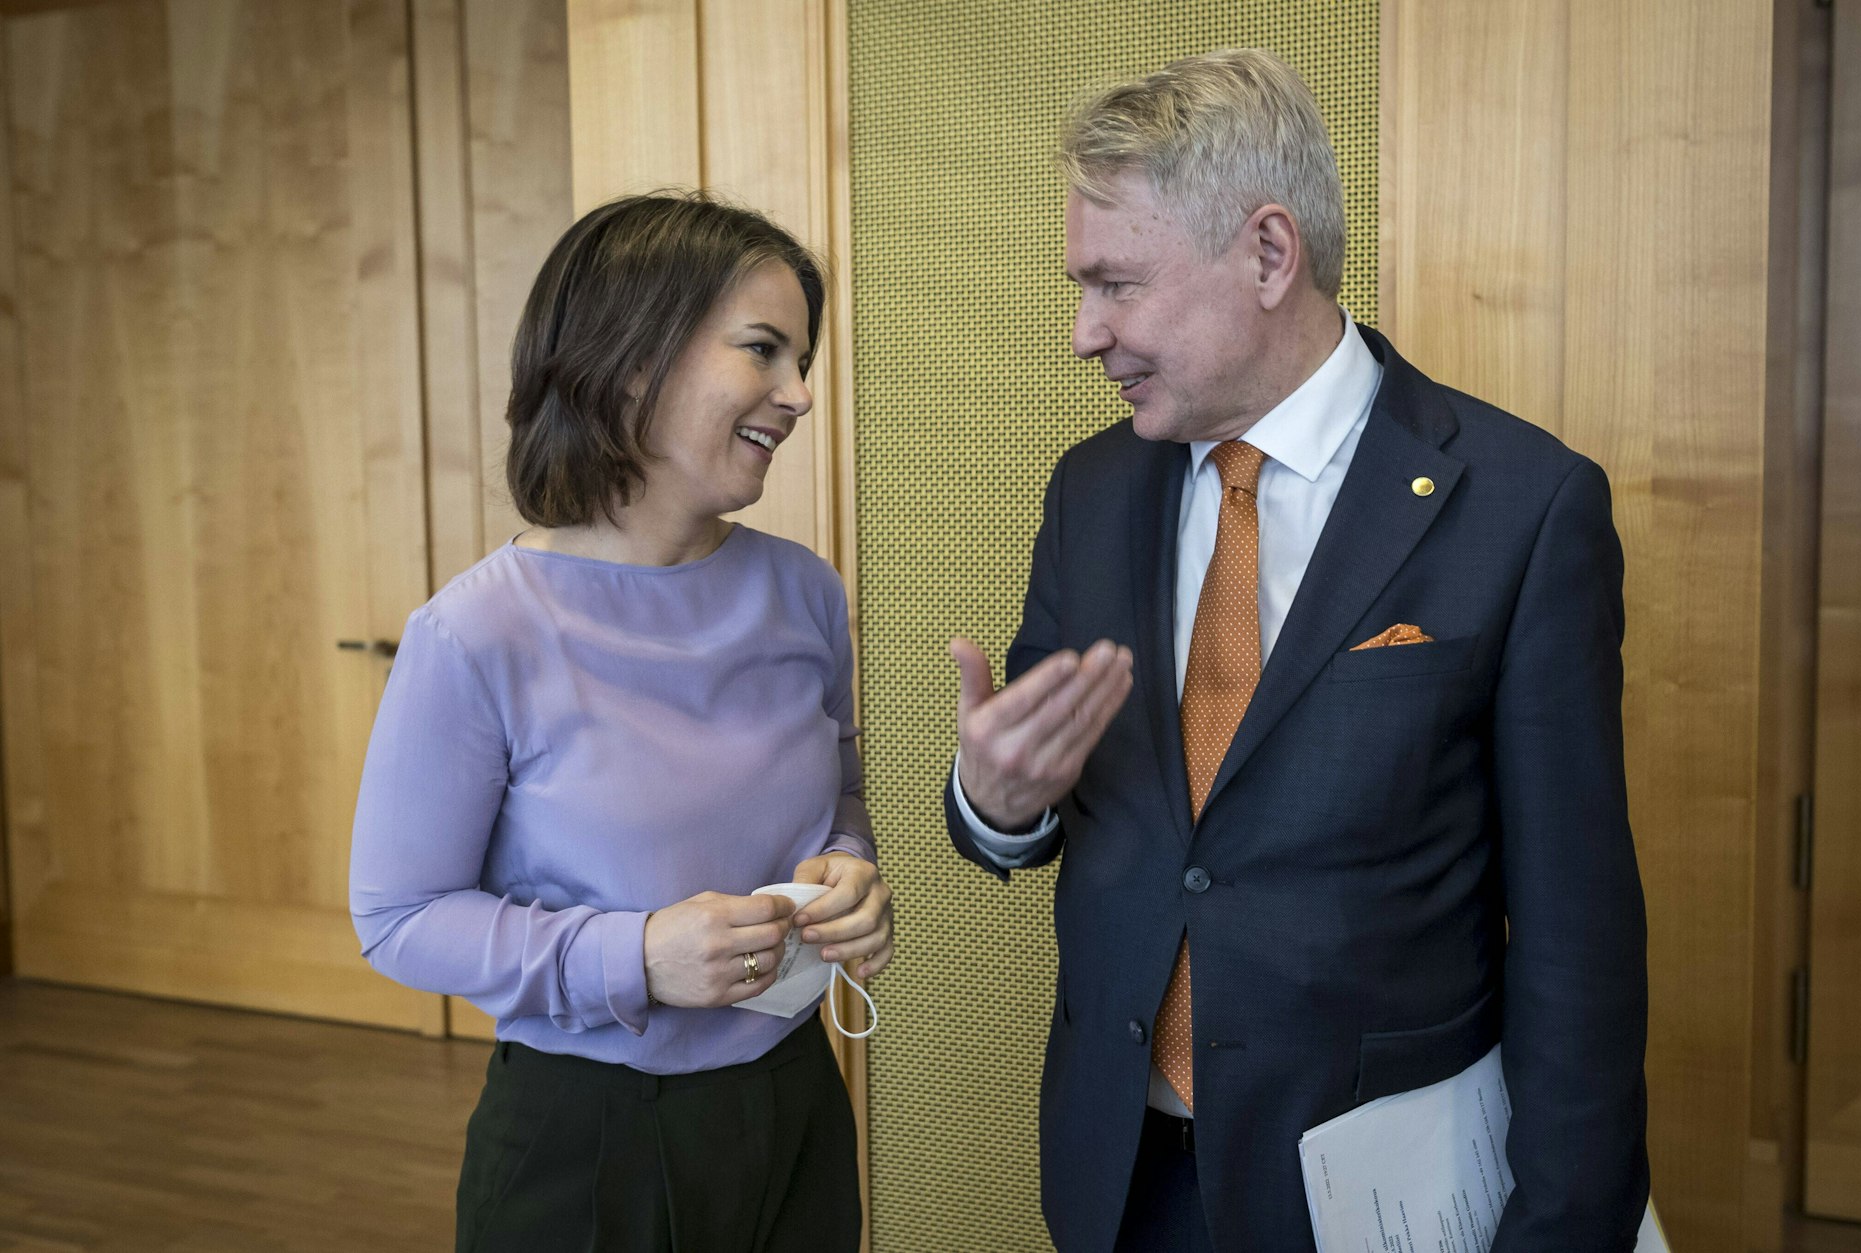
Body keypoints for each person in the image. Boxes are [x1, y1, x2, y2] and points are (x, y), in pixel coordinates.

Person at [944, 49, 1648, 1252]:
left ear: (1268, 254)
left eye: (1115, 284)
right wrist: (996, 801)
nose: (1082, 333)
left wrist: (1563, 1227)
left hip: (1374, 1200)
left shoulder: (1521, 506)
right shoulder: (1090, 490)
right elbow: (1035, 799)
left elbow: (1576, 939)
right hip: (1121, 1181)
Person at [350, 191, 891, 1253]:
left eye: (801, 359)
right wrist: (633, 955)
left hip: (796, 1100)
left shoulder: (806, 592)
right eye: (763, 350)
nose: (799, 394)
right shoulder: (475, 630)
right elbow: (399, 917)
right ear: (633, 357)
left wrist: (848, 872)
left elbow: (838, 796)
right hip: (584, 1138)